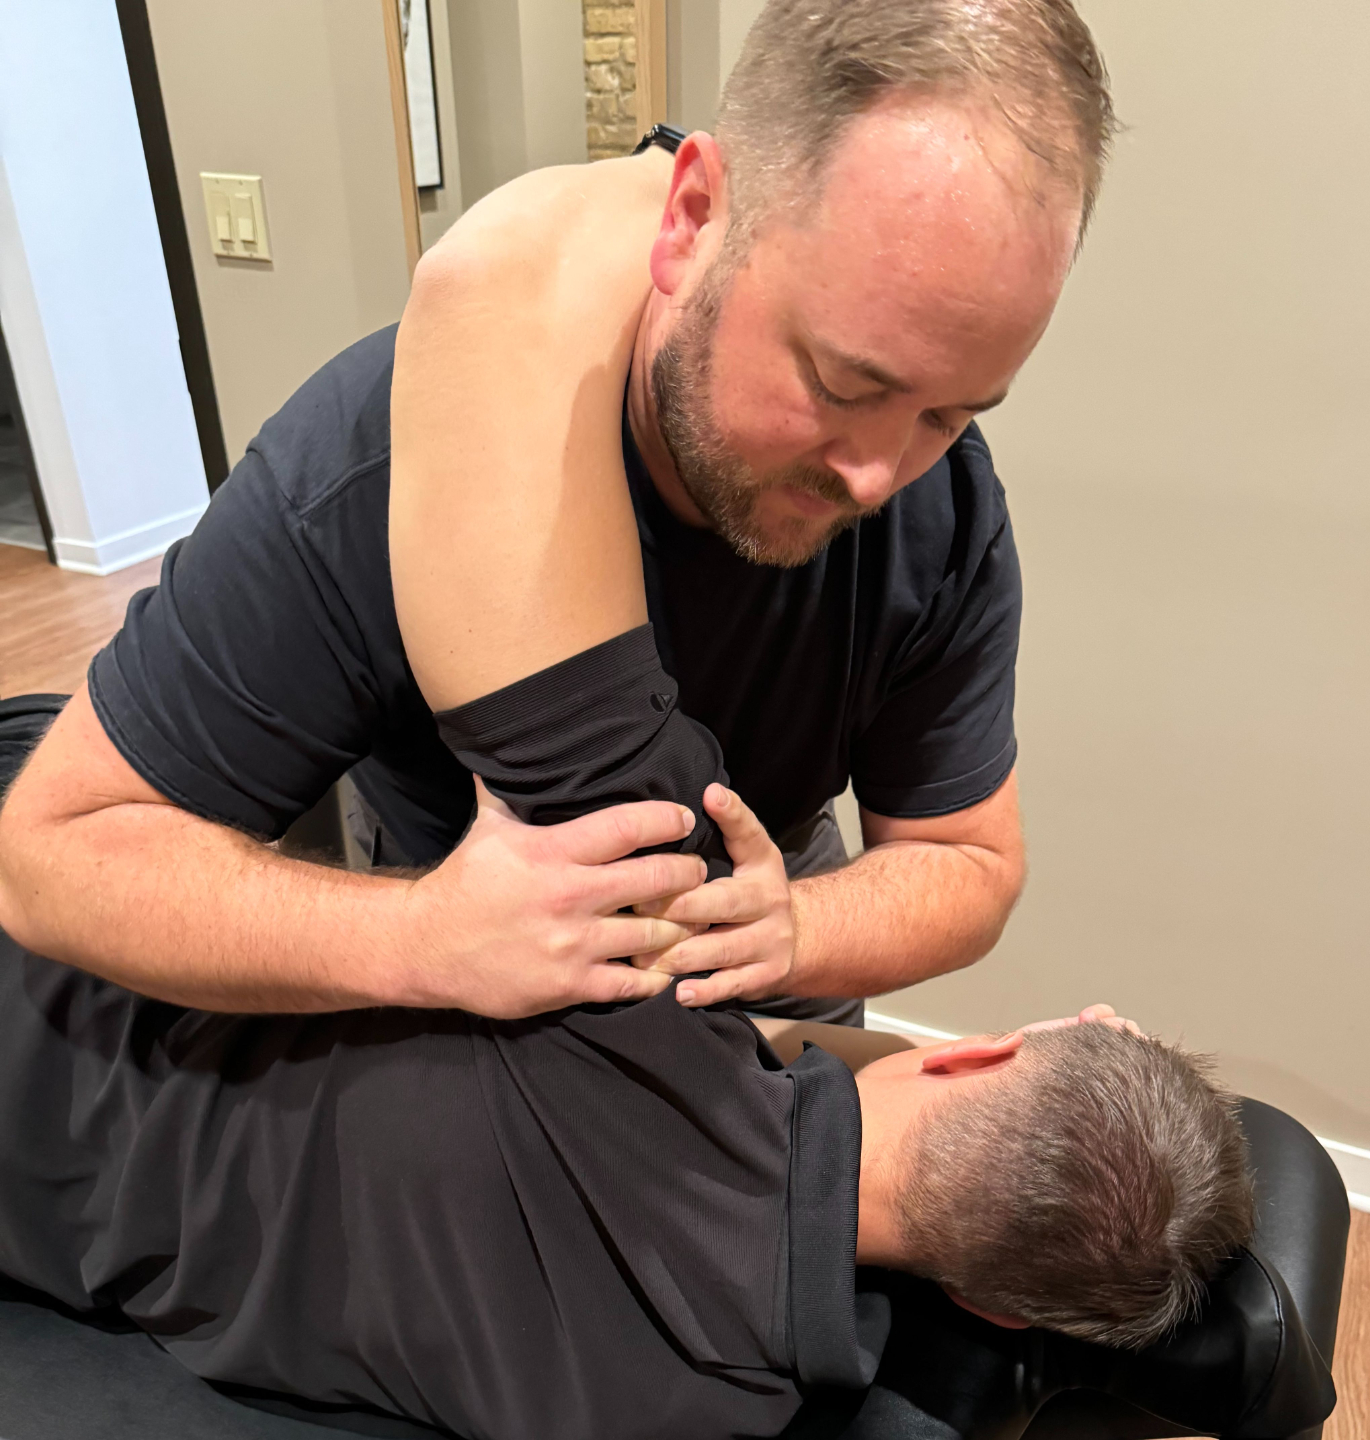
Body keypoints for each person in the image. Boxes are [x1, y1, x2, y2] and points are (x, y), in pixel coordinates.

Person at [0, 0, 1114, 1024]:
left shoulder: (942, 512)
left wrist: (796, 928)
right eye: (841, 384)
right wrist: (418, 937)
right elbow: (52, 860)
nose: (877, 476)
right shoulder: (367, 468)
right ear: (691, 219)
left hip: (771, 926)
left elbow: (970, 863)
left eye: (948, 413)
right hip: (460, 936)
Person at [0, 922, 1252, 1440]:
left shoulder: (624, 994)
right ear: (988, 1307)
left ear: (966, 1053)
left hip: (53, 993)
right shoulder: (724, 1411)